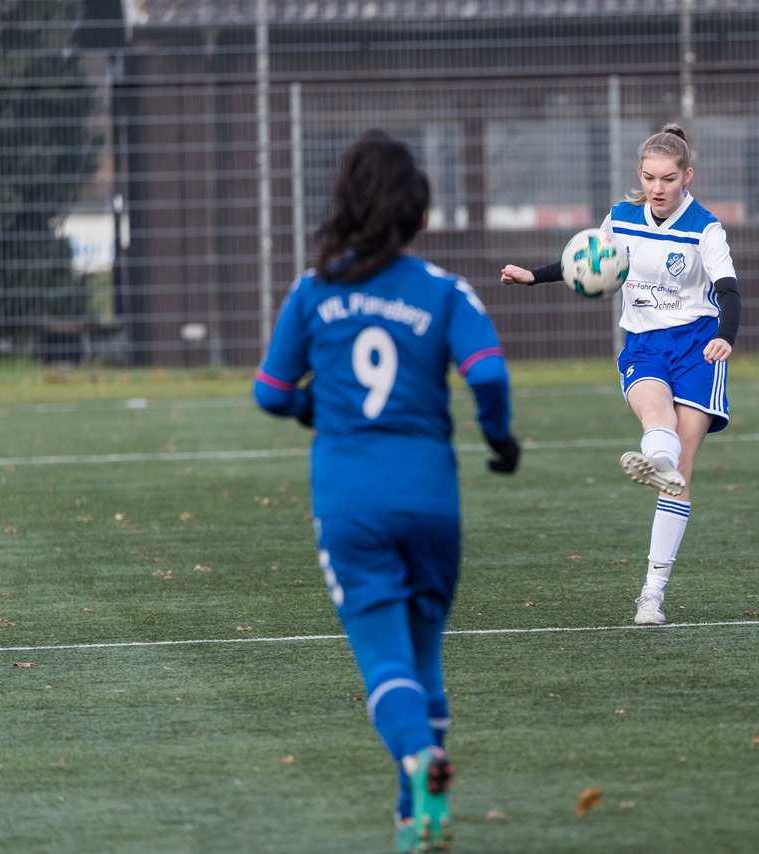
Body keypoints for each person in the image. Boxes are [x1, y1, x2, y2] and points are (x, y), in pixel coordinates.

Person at [254, 130, 520, 852]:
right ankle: (414, 820)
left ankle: (419, 762)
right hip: (431, 499)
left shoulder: (314, 291)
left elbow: (271, 392)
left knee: (384, 665)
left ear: (341, 206)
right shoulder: (443, 290)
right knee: (425, 657)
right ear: (420, 217)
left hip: (351, 501)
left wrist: (320, 408)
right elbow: (489, 375)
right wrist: (499, 439)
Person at [499, 123, 741, 626]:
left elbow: (730, 291)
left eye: (669, 178)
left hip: (699, 347)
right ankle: (656, 461)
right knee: (656, 418)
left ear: (686, 176)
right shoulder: (621, 218)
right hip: (644, 345)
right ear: (640, 175)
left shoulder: (705, 227)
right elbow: (584, 262)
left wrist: (727, 337)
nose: (659, 187)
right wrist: (534, 275)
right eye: (651, 177)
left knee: (682, 471)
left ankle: (652, 593)